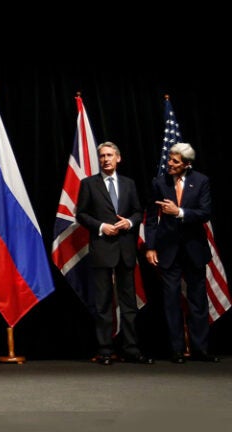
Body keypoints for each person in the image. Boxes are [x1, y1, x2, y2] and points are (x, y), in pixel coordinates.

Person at [76, 142, 152, 366]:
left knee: (129, 304)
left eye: (109, 155)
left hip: (125, 250)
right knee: (102, 303)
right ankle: (105, 350)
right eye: (102, 156)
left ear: (118, 158)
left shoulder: (129, 184)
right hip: (102, 248)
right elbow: (81, 214)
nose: (105, 159)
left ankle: (131, 349)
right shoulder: (88, 184)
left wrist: (129, 222)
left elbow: (138, 211)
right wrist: (101, 226)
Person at [145, 142, 220, 364]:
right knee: (171, 301)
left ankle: (200, 349)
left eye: (175, 161)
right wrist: (150, 247)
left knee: (198, 300)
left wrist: (179, 212)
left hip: (194, 249)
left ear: (187, 164)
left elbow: (204, 213)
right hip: (168, 251)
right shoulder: (160, 182)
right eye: (169, 159)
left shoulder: (201, 181)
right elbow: (151, 218)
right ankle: (177, 350)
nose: (169, 163)